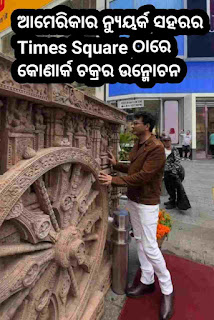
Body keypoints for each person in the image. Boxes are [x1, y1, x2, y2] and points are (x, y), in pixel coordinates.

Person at [99, 111, 174, 320]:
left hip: (147, 203)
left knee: (150, 246)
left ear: (148, 126)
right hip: (134, 199)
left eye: (136, 123)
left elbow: (143, 176)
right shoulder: (139, 144)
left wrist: (114, 180)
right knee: (139, 241)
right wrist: (116, 165)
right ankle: (147, 281)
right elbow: (134, 168)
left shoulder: (157, 149)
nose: (132, 126)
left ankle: (167, 289)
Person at [163, 136, 191, 210]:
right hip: (165, 171)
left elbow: (177, 161)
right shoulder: (162, 150)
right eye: (165, 141)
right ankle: (172, 199)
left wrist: (174, 171)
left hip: (173, 173)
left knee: (173, 187)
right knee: (168, 187)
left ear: (170, 141)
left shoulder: (174, 149)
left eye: (168, 141)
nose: (166, 142)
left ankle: (173, 203)